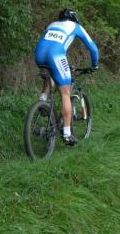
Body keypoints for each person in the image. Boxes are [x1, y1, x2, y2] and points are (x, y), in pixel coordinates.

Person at [34, 8, 99, 145]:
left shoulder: (52, 25)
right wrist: (94, 65)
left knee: (51, 75)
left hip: (39, 53)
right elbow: (93, 48)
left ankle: (42, 101)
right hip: (55, 55)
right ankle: (67, 134)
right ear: (75, 19)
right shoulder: (76, 26)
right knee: (65, 93)